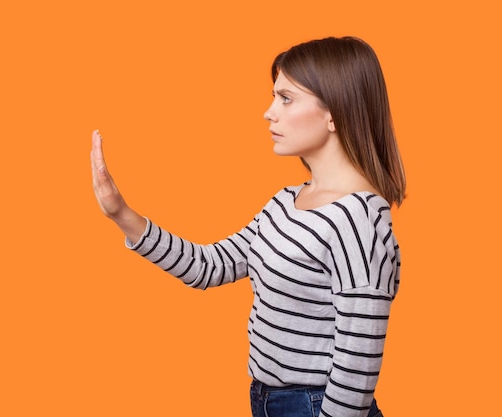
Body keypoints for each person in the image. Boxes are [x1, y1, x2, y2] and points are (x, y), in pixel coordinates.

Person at [91, 36, 405, 417]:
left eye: (287, 98)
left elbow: (356, 371)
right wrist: (122, 214)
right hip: (267, 400)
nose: (269, 113)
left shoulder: (358, 221)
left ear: (334, 113)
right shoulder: (286, 203)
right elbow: (210, 266)